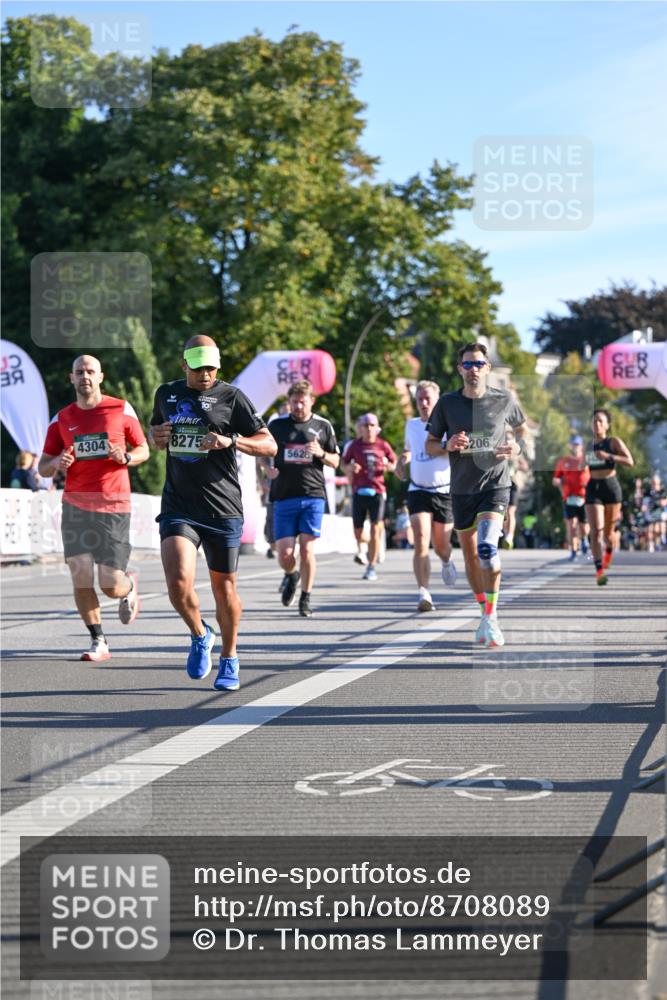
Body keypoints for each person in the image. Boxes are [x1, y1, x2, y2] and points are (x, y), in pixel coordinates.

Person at [149, 335, 277, 690]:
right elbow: (156, 435)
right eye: (198, 366)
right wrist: (156, 435)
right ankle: (200, 633)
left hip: (222, 508)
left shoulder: (231, 397)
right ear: (184, 364)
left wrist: (230, 441)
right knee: (177, 584)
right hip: (179, 505)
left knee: (225, 589)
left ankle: (230, 657)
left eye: (211, 367)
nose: (205, 374)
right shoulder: (166, 393)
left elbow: (269, 444)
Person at [38, 355, 149, 662]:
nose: (85, 376)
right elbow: (43, 466)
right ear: (71, 379)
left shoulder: (120, 408)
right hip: (75, 505)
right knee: (81, 576)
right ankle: (98, 639)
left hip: (114, 505)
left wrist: (126, 456)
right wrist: (57, 464)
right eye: (79, 372)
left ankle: (128, 587)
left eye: (90, 371)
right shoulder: (61, 418)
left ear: (101, 376)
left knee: (110, 584)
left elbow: (144, 449)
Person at [426, 342, 529, 648]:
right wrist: (447, 446)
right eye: (467, 365)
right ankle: (484, 612)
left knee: (486, 548)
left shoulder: (503, 400)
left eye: (479, 364)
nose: (473, 370)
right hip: (461, 489)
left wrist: (517, 447)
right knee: (470, 554)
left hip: (495, 484)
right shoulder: (446, 404)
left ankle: (492, 616)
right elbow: (429, 445)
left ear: (488, 368)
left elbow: (522, 431)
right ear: (460, 369)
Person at [266, 379, 340, 617]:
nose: (298, 407)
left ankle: (306, 598)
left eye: (302, 402)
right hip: (283, 495)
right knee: (285, 554)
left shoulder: (323, 425)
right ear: (288, 402)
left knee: (307, 550)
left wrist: (321, 453)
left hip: (313, 495)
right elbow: (262, 453)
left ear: (312, 401)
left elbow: (336, 461)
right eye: (294, 402)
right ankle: (291, 574)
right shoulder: (276, 426)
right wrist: (265, 472)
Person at [395, 379, 457, 613]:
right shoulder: (411, 425)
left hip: (443, 490)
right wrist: (402, 461)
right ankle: (424, 592)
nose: (423, 403)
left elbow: (455, 449)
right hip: (418, 489)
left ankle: (446, 560)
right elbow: (409, 449)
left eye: (427, 399)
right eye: (419, 399)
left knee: (441, 545)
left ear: (436, 400)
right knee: (420, 539)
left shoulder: (448, 424)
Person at [342, 414, 397, 580]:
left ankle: (371, 567)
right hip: (359, 491)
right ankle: (373, 544)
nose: (368, 428)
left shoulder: (383, 444)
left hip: (378, 491)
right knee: (358, 532)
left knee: (375, 528)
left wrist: (388, 466)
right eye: (365, 425)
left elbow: (394, 463)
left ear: (377, 427)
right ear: (361, 428)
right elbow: (343, 465)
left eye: (372, 425)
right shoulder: (354, 445)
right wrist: (351, 467)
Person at [584, 408, 634, 585]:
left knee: (608, 533)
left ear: (607, 425)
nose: (596, 424)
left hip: (611, 487)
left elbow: (630, 461)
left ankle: (609, 551)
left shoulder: (613, 442)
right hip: (593, 488)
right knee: (596, 531)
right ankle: (599, 571)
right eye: (594, 421)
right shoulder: (587, 444)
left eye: (600, 421)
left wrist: (609, 456)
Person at [553, 435, 591, 560]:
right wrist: (557, 481)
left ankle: (584, 539)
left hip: (584, 497)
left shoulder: (587, 460)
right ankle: (573, 551)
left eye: (577, 444)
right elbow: (556, 478)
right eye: (573, 444)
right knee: (571, 525)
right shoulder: (563, 461)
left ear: (581, 446)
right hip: (569, 498)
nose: (575, 447)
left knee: (583, 526)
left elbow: (594, 476)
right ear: (570, 445)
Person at [500, 478, 518, 549]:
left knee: (511, 511)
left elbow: (525, 467)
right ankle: (506, 533)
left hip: (513, 484)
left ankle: (509, 537)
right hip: (501, 484)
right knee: (504, 512)